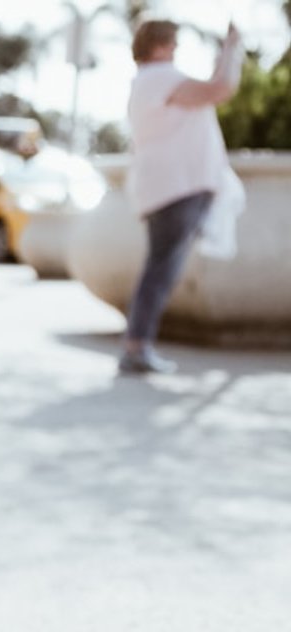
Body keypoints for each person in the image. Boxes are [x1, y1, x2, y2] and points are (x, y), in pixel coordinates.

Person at [119, 18, 244, 375]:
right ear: (157, 45)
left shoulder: (147, 81)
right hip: (176, 190)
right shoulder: (159, 77)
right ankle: (136, 348)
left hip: (168, 189)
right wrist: (231, 48)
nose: (175, 49)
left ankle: (136, 346)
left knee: (158, 269)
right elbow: (220, 89)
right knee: (160, 271)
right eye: (172, 43)